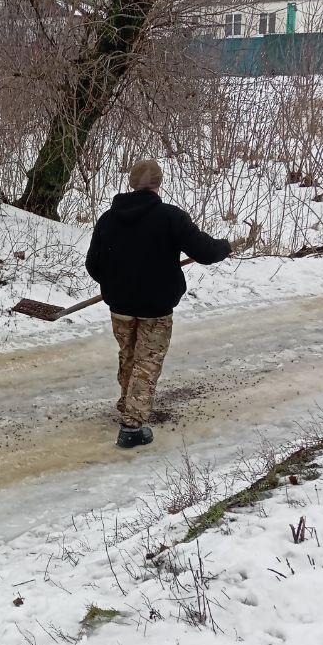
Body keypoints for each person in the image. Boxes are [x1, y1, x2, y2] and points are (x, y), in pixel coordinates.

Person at [85, 159, 233, 449]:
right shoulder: (170, 217)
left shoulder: (108, 219)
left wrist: (117, 282)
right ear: (158, 184)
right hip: (155, 308)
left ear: (132, 183)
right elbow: (204, 251)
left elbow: (93, 265)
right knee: (147, 362)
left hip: (120, 306)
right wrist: (224, 247)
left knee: (129, 355)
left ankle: (128, 403)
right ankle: (132, 426)